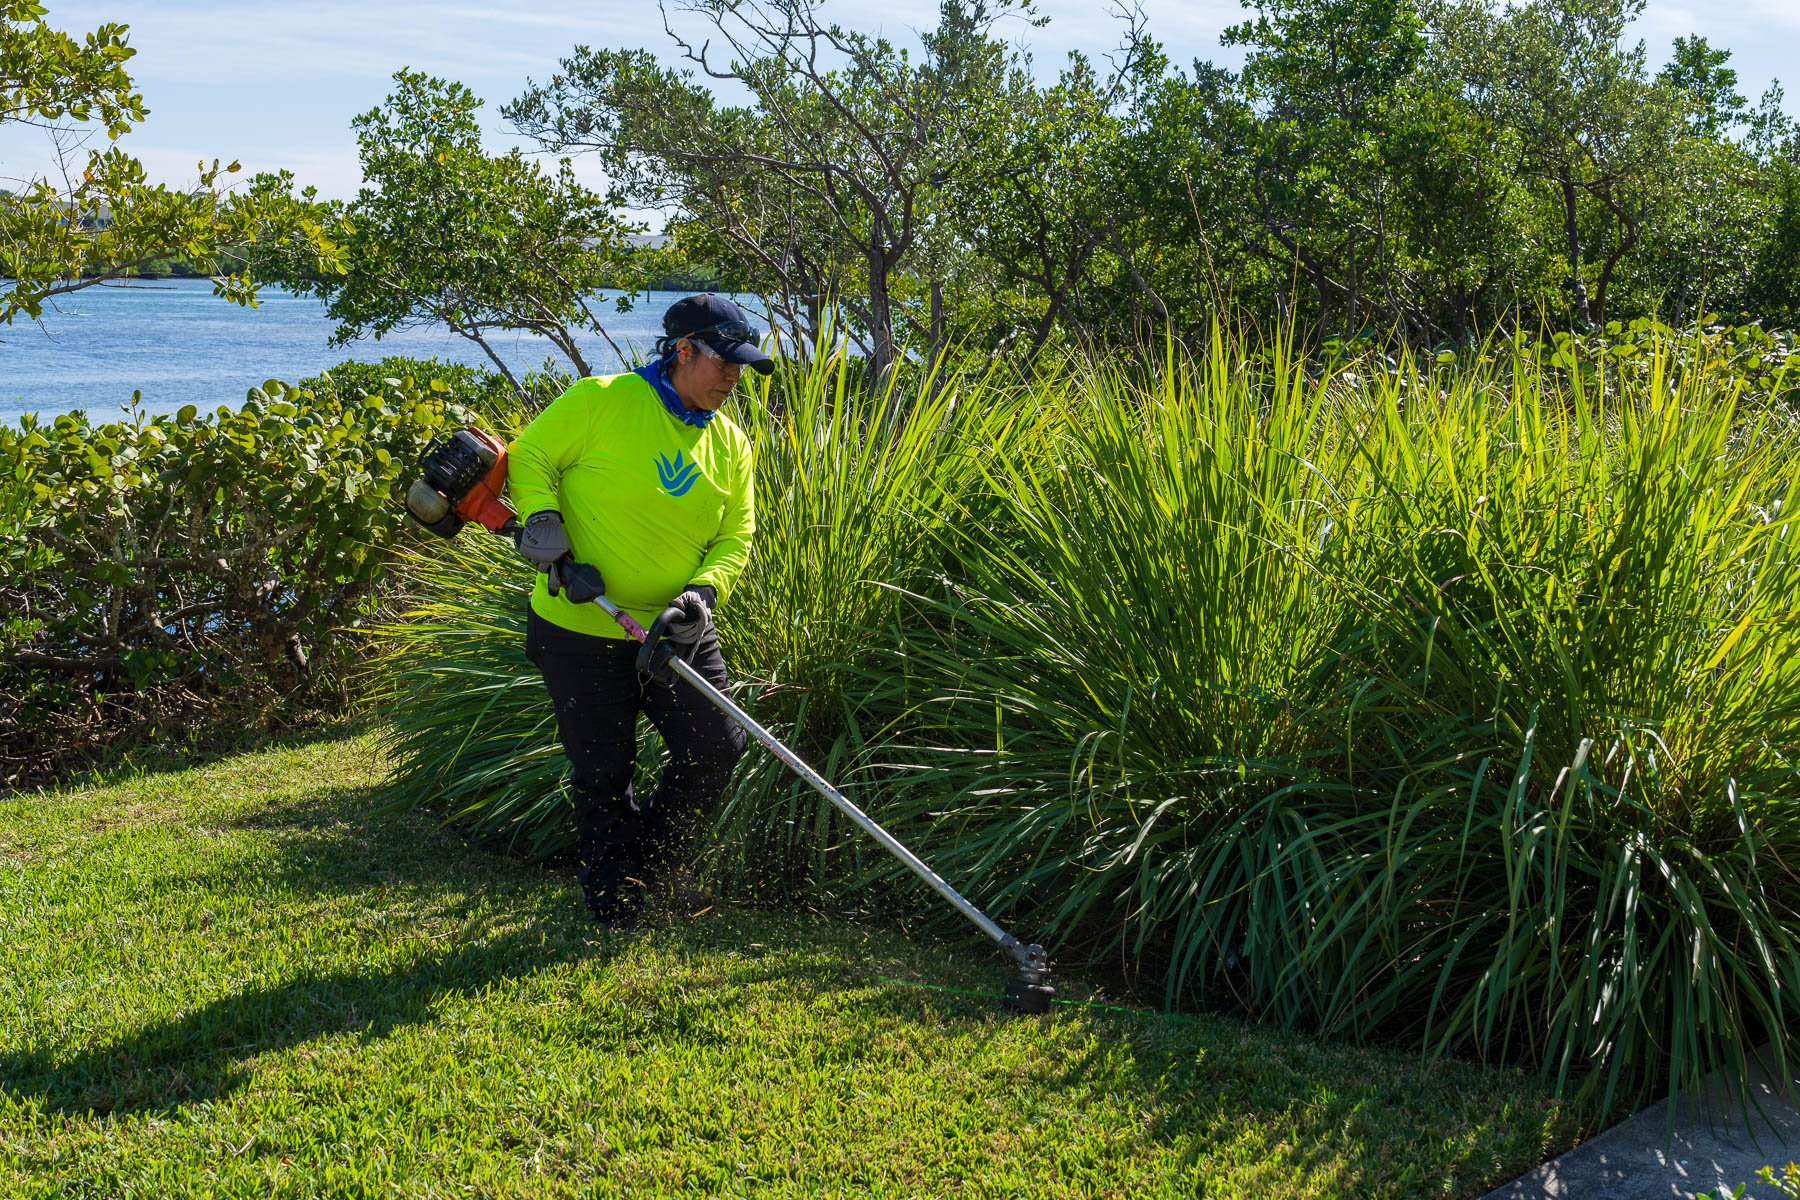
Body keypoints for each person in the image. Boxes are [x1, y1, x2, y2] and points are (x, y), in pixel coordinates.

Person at [506, 294, 773, 929]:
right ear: (683, 351)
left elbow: (737, 536)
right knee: (603, 767)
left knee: (716, 748)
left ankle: (649, 866)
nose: (733, 379)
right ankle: (614, 895)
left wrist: (701, 598)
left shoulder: (732, 444)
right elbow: (529, 458)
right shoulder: (602, 400)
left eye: (742, 367)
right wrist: (546, 528)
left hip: (677, 631)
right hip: (578, 628)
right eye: (724, 363)